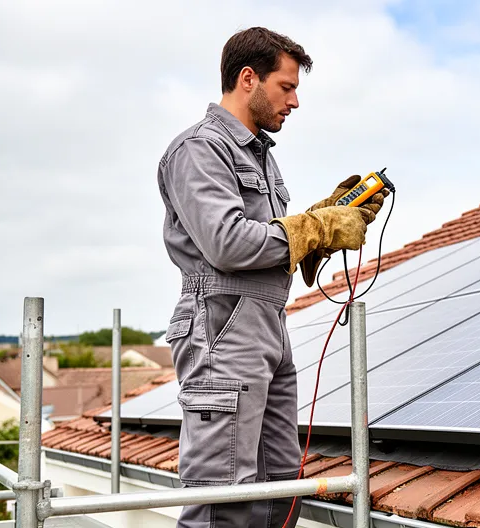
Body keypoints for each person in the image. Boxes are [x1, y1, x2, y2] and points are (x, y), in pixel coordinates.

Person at [156, 27, 386, 527]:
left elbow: (270, 240)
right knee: (226, 498)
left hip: (265, 326)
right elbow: (228, 242)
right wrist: (316, 225)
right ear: (247, 79)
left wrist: (322, 223)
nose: (295, 101)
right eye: (286, 87)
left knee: (281, 482)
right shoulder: (199, 150)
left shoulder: (261, 155)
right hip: (222, 325)